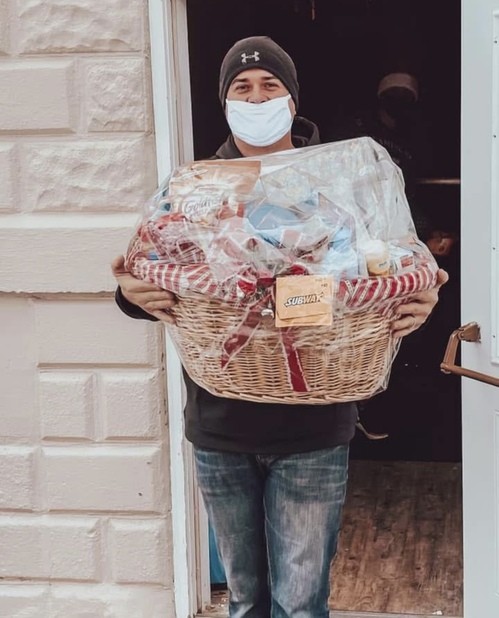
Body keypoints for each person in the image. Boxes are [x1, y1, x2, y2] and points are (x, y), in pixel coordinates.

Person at [111, 36, 448, 618]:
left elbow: (392, 265)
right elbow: (164, 282)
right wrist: (130, 293)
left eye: (270, 86)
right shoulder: (195, 190)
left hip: (314, 429)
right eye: (242, 88)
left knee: (301, 605)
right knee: (245, 602)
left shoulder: (343, 181)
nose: (256, 97)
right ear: (224, 103)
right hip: (220, 423)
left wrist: (421, 300)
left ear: (293, 101)